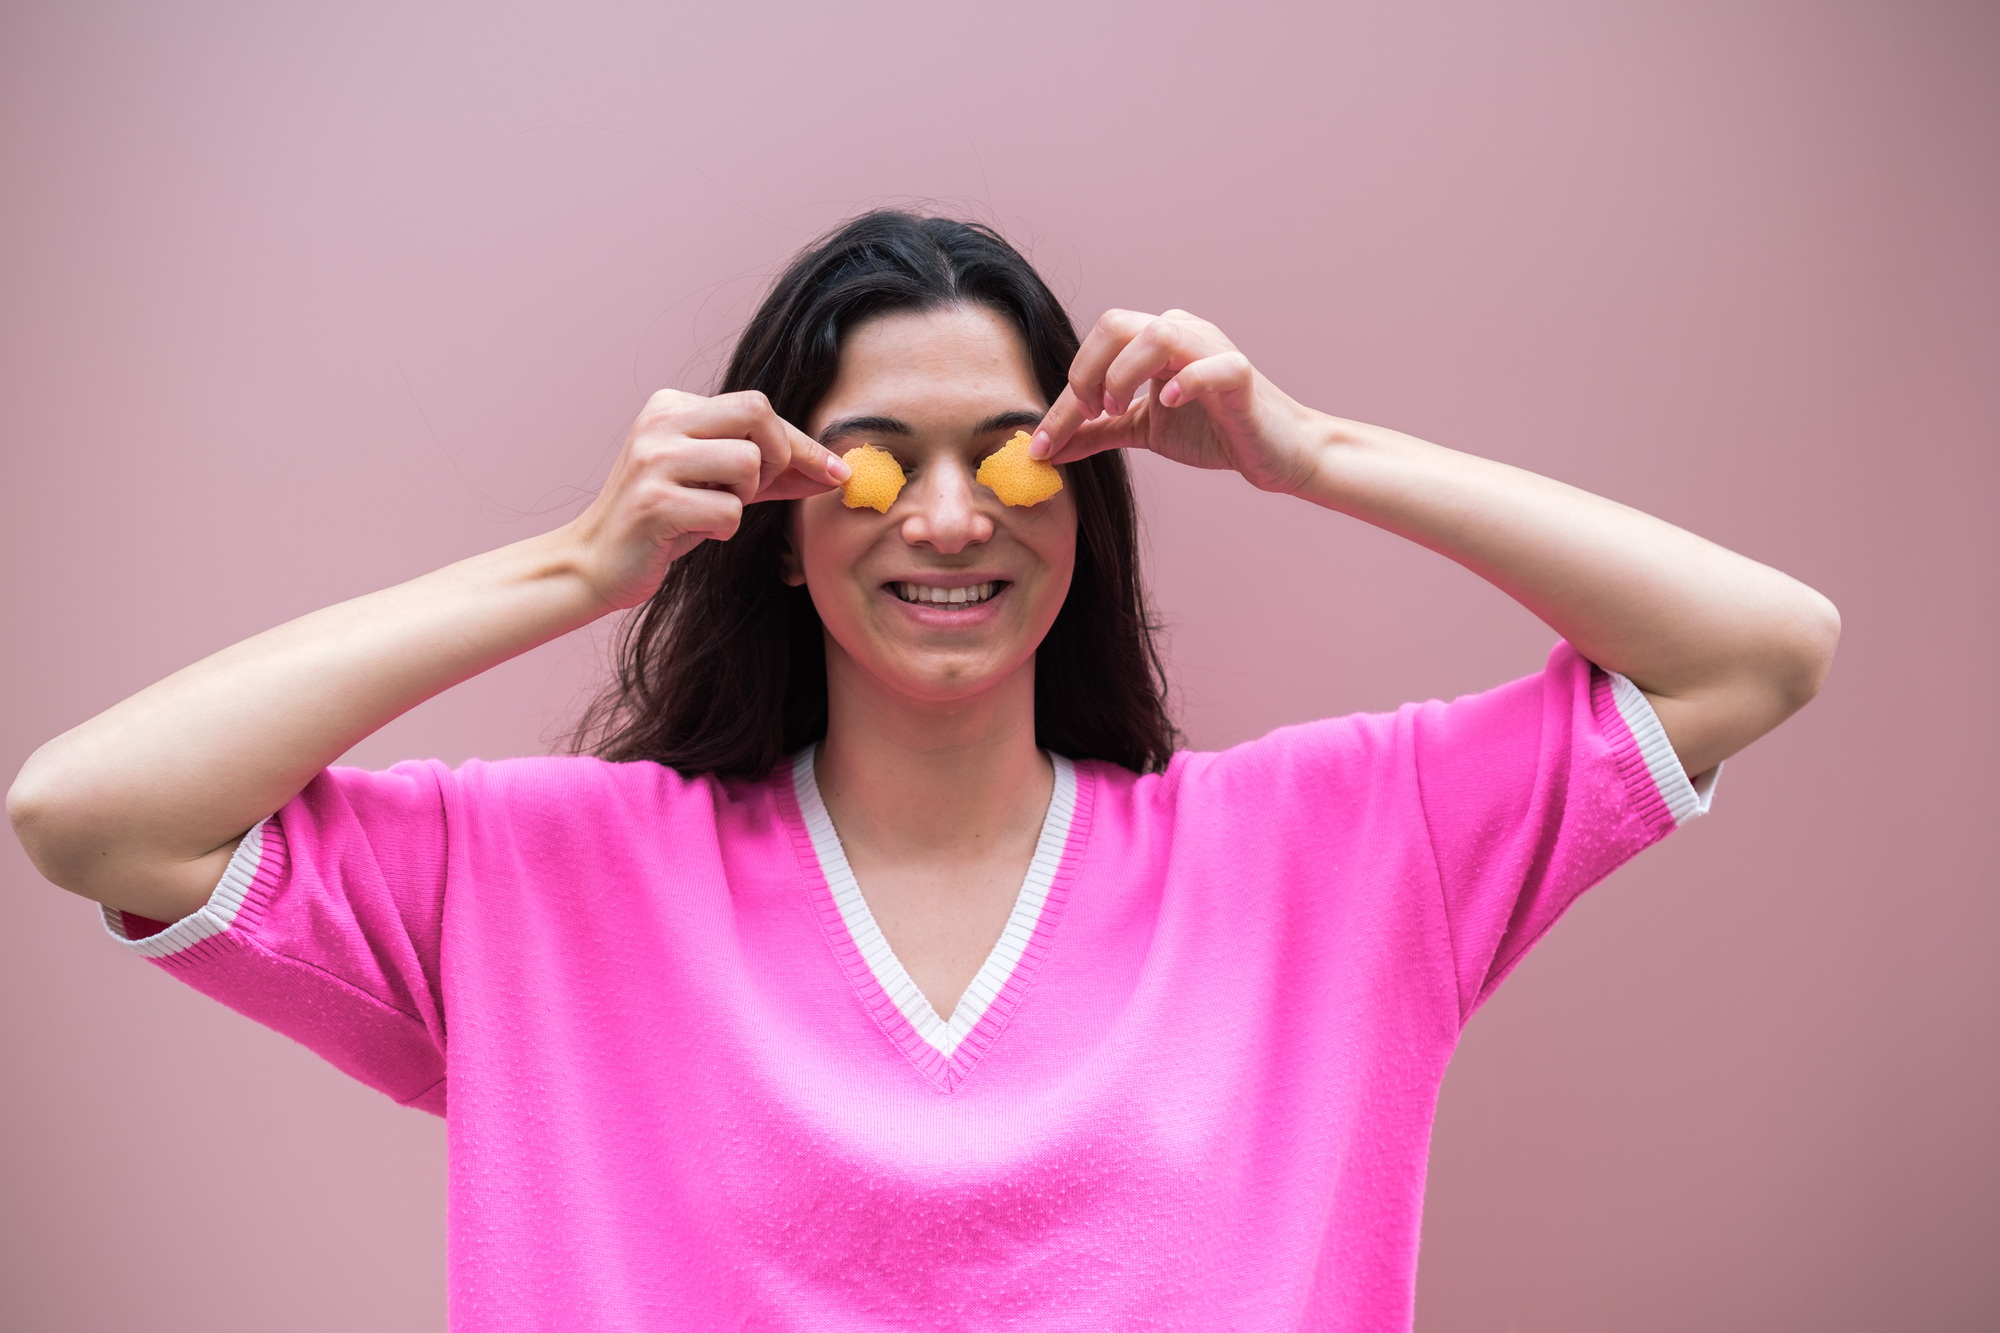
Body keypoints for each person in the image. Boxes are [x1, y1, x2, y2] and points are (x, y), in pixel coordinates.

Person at [7, 211, 1838, 1330]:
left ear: (1090, 493)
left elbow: (1759, 647)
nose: (951, 518)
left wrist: (1311, 448)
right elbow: (91, 811)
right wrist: (572, 567)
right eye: (880, 462)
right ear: (781, 516)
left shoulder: (1337, 853)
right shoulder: (544, 882)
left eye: (1011, 457)